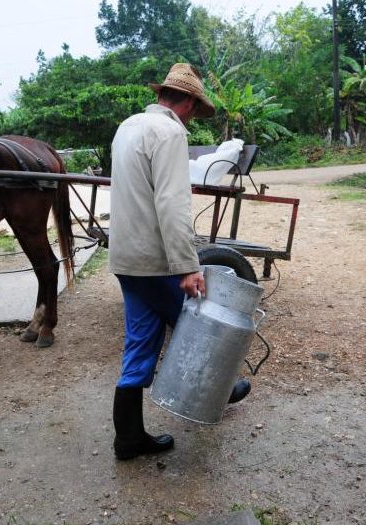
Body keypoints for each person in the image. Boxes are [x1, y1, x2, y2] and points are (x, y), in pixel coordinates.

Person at [108, 63, 250, 461]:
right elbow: (171, 204)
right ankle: (227, 387)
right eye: (194, 107)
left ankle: (129, 438)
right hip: (156, 260)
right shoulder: (170, 132)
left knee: (141, 341)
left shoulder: (128, 126)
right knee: (195, 321)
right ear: (186, 101)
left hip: (125, 257)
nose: (192, 115)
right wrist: (188, 266)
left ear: (161, 96)